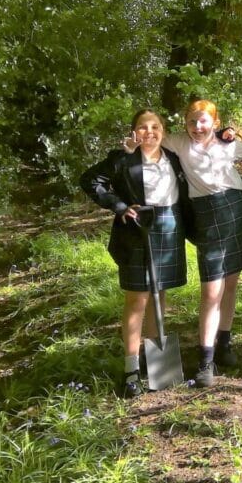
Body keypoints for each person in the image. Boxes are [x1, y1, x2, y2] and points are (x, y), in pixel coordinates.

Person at [127, 99, 242, 387]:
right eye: (192, 121)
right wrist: (131, 146)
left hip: (235, 207)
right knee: (211, 289)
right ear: (185, 124)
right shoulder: (179, 143)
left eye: (204, 121)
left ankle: (224, 344)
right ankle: (205, 361)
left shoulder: (227, 144)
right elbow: (151, 136)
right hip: (206, 214)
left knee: (231, 283)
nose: (197, 126)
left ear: (215, 123)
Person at [80, 109, 189, 397]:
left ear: (163, 131)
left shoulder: (174, 158)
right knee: (137, 299)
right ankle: (131, 370)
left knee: (159, 293)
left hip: (169, 226)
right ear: (133, 132)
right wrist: (118, 206)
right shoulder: (123, 159)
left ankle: (156, 365)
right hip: (137, 227)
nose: (149, 132)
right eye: (143, 127)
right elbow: (90, 180)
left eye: (155, 127)